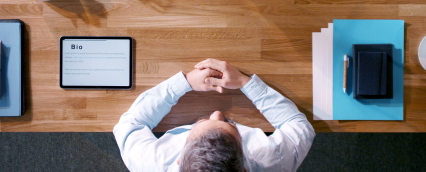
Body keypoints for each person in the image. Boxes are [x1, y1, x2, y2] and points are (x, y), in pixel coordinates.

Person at [113, 58, 315, 171]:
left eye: (202, 122)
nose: (217, 113)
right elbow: (298, 126)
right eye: (229, 123)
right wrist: (246, 84)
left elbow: (130, 124)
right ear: (244, 168)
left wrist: (184, 83)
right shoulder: (272, 160)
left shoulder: (149, 163)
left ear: (179, 158)